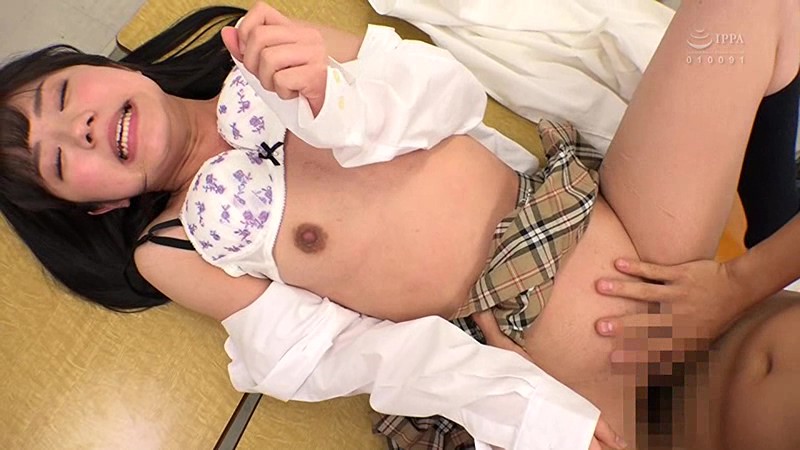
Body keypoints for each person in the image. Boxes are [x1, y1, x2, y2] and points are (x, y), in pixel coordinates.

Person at [2, 0, 799, 448]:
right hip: (558, 374)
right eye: (60, 162)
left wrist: (337, 101)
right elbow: (343, 353)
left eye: (66, 98)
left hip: (623, 238)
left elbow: (452, 100)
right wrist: (534, 414)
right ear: (98, 207)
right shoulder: (175, 246)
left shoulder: (264, 45)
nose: (79, 130)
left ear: (104, 67)